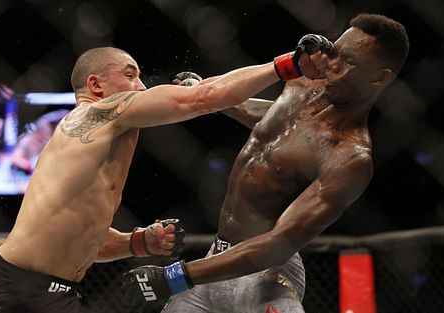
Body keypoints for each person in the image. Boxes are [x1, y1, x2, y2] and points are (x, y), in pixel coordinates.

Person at [0, 37, 330, 313]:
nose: (141, 87)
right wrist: (288, 65)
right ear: (96, 87)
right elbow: (201, 98)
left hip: (55, 293)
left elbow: (87, 240)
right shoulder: (100, 112)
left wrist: (138, 243)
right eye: (130, 75)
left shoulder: (95, 153)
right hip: (10, 287)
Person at [122, 13, 410, 313]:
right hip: (214, 261)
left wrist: (175, 277)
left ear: (379, 77)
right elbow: (275, 119)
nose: (332, 66)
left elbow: (278, 244)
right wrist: (217, 98)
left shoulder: (350, 156)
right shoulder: (304, 82)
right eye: (335, 53)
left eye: (348, 62)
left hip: (267, 276)